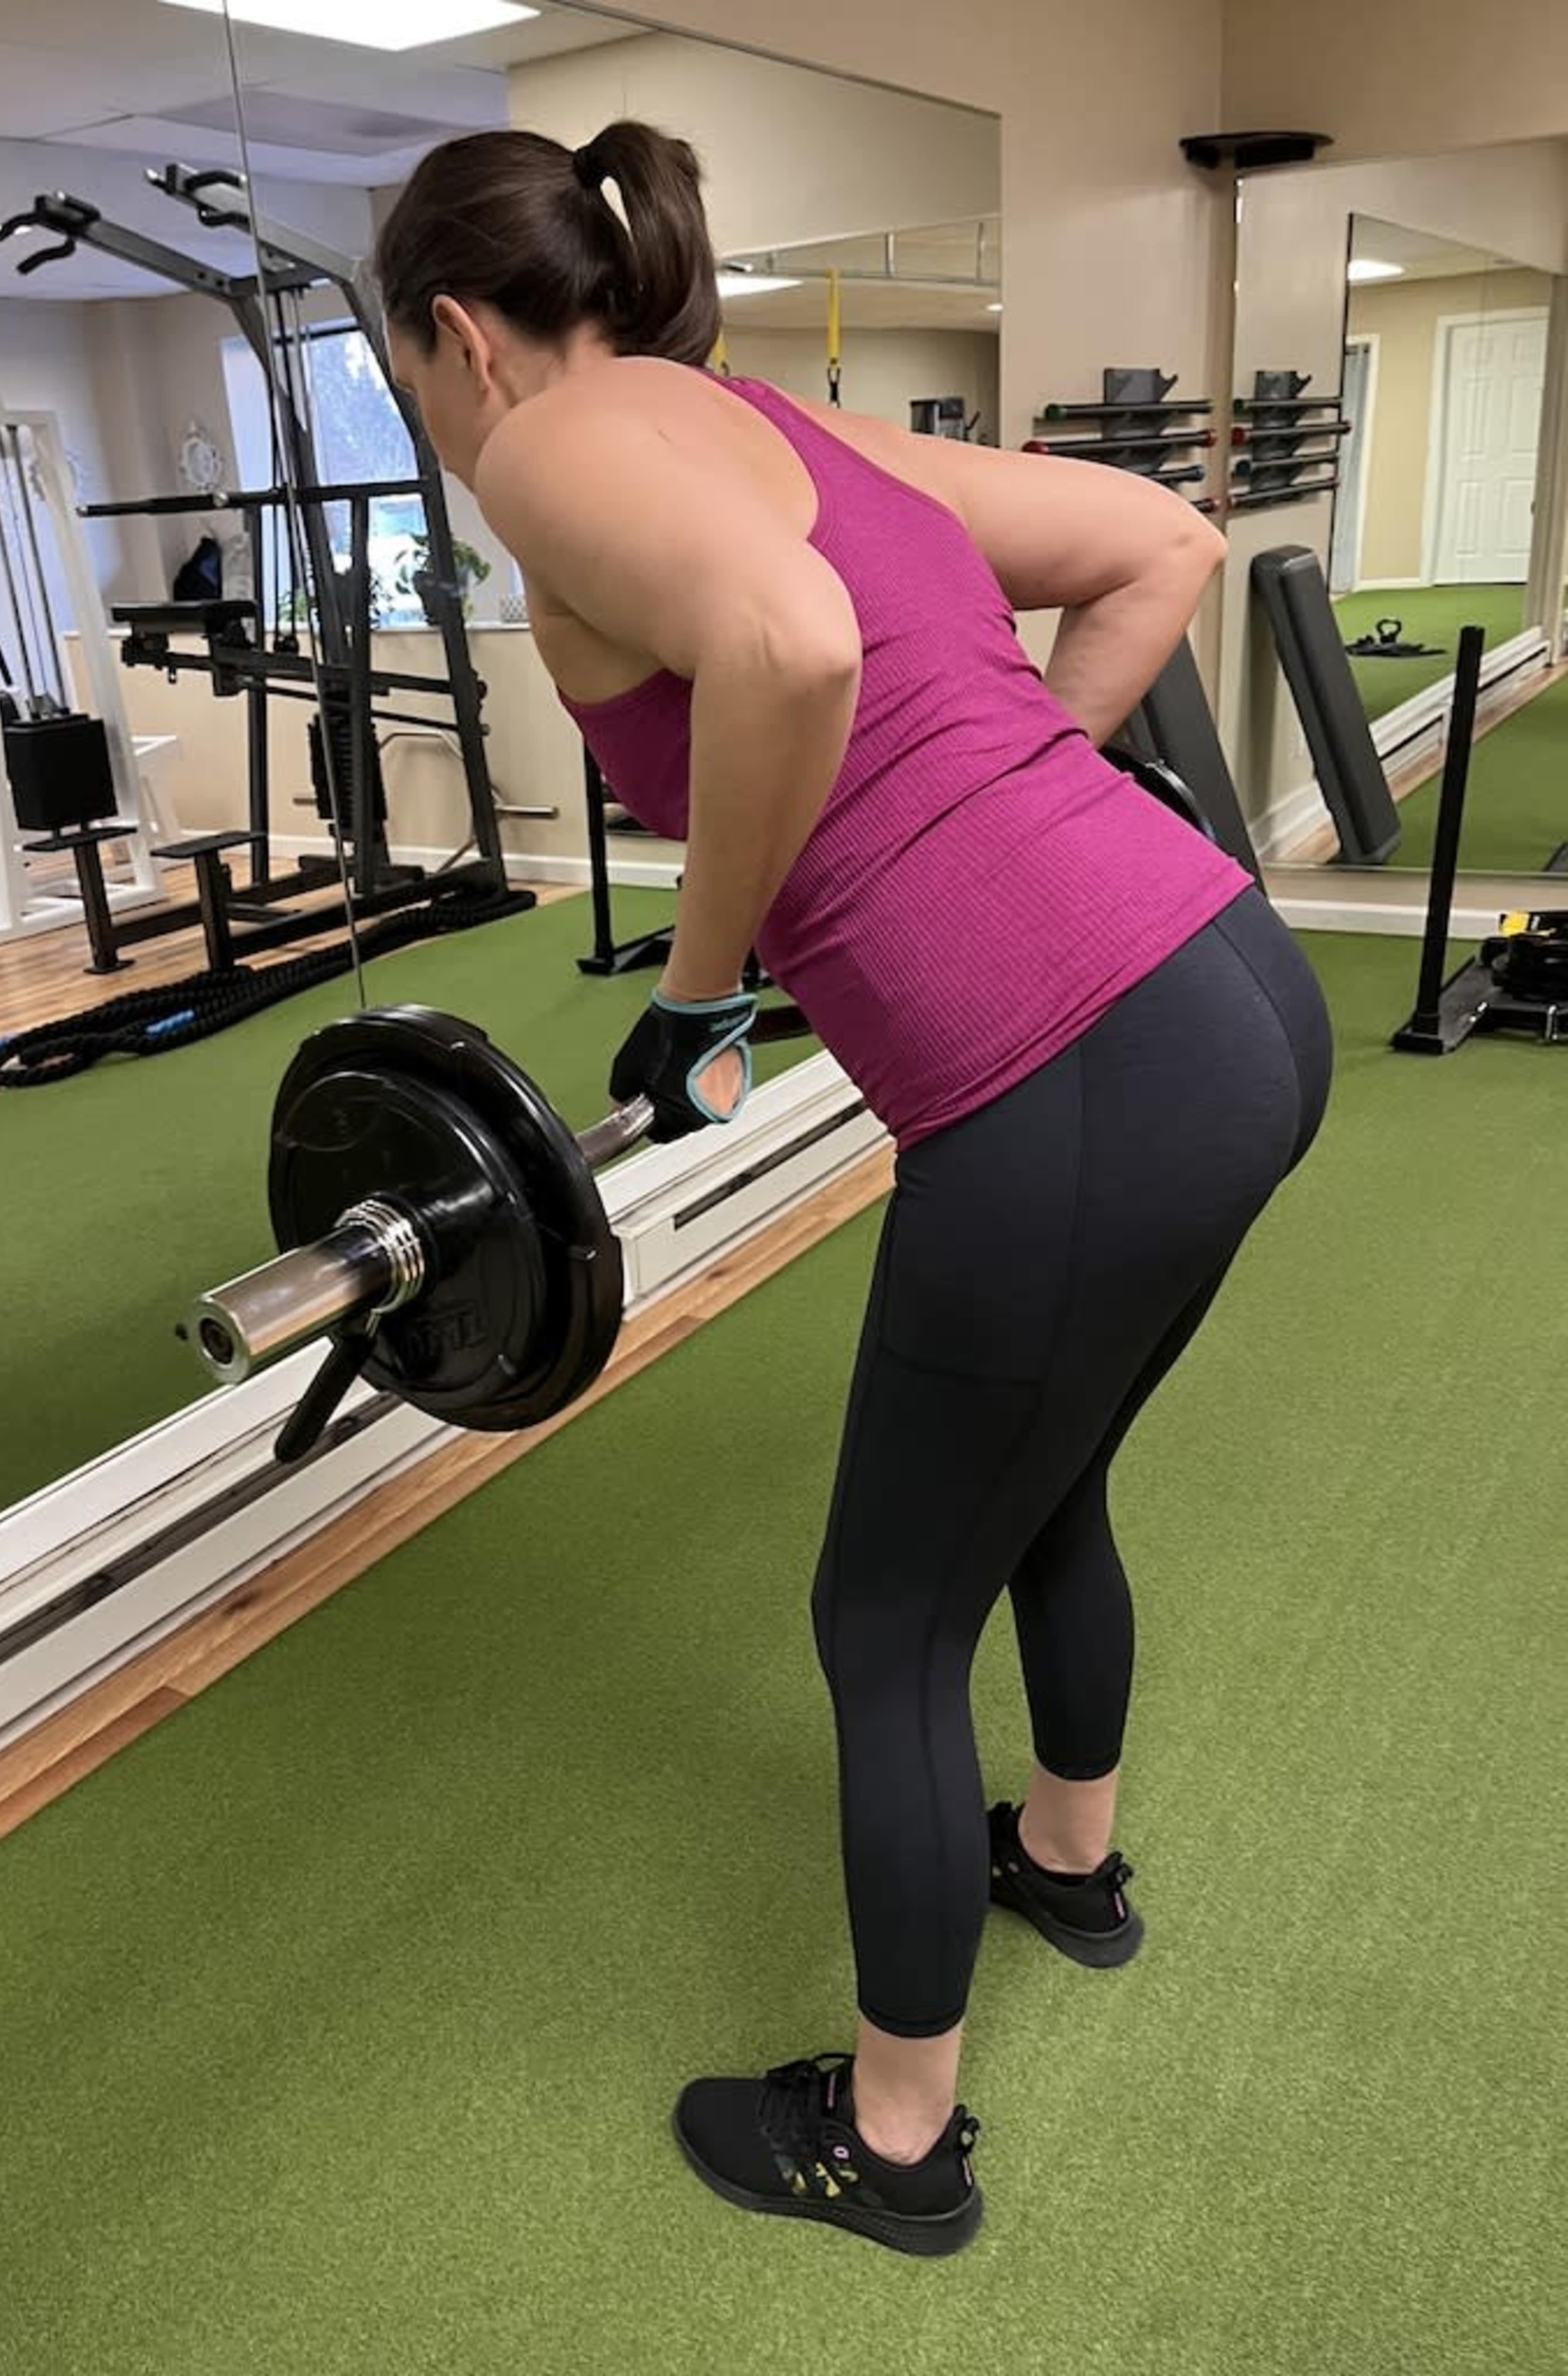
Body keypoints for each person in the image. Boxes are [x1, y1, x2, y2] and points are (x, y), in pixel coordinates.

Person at [375, 120, 1332, 2258]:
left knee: (885, 1620)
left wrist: (704, 988)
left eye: (415, 384)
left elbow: (790, 654)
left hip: (1076, 1071)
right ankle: (1066, 1863)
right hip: (1238, 995)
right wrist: (1022, 816)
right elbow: (1156, 546)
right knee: (1047, 1468)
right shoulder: (775, 424)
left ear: (461, 338)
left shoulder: (544, 455)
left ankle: (895, 2145)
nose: (436, 425)